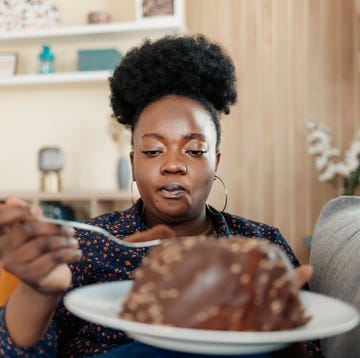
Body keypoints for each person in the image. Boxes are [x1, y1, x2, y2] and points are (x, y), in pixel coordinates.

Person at [0, 34, 321, 357]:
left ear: (216, 162)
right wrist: (37, 291)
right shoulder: (86, 247)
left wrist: (278, 329)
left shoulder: (261, 245)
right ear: (133, 163)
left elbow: (308, 349)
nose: (173, 165)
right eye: (153, 150)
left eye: (194, 150)